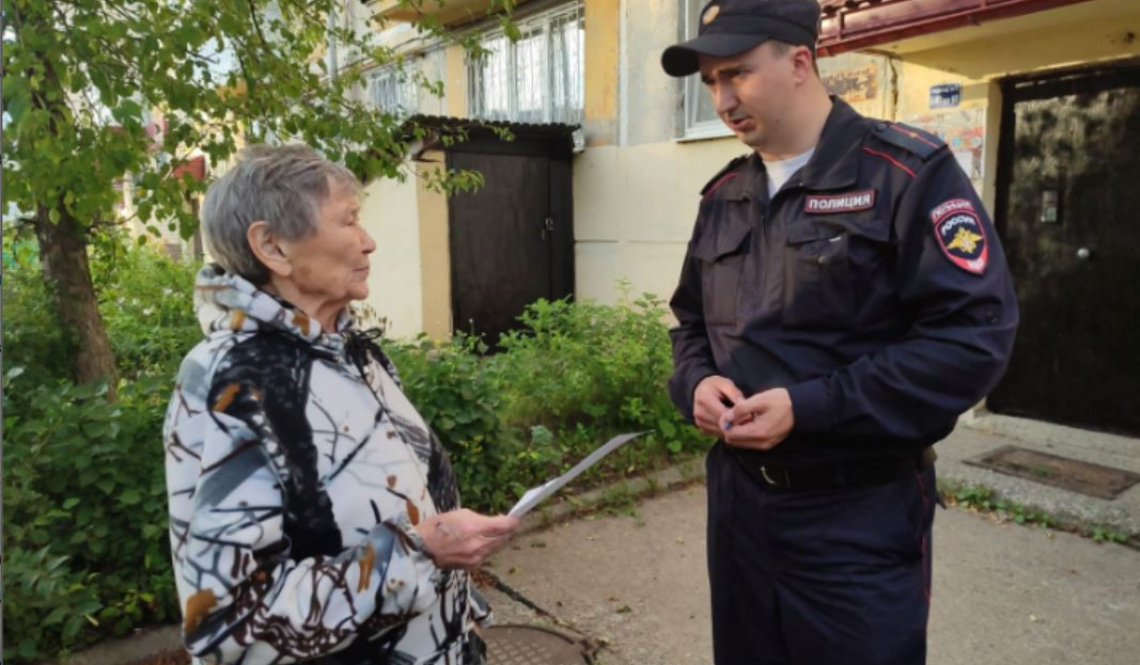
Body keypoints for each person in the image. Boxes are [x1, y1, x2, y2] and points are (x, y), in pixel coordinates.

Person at [661, 1, 1018, 663]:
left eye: (737, 73)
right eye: (710, 81)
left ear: (801, 62)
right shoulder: (724, 195)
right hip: (739, 508)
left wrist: (810, 405)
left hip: (856, 513)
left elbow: (972, 339)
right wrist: (697, 381)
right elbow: (689, 325)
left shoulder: (907, 174)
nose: (722, 98)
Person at [163, 144, 519, 665]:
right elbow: (233, 626)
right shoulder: (234, 384)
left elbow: (397, 509)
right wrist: (420, 556)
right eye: (349, 220)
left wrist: (455, 606)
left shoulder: (346, 350)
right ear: (273, 248)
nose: (369, 242)